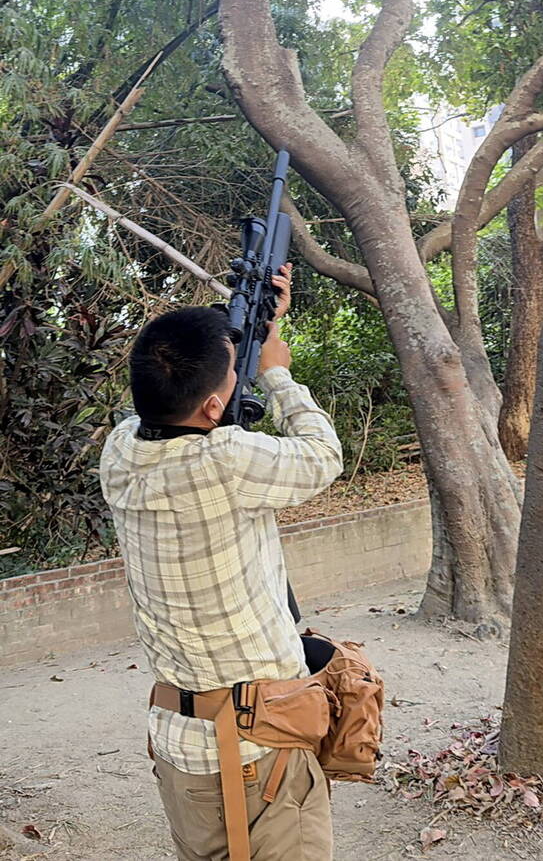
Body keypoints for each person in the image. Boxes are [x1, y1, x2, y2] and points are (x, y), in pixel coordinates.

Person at [100, 265, 343, 861]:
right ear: (214, 405)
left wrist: (248, 329)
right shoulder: (228, 461)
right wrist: (276, 369)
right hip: (265, 745)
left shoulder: (120, 451)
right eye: (234, 379)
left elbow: (178, 412)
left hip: (182, 743)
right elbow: (323, 455)